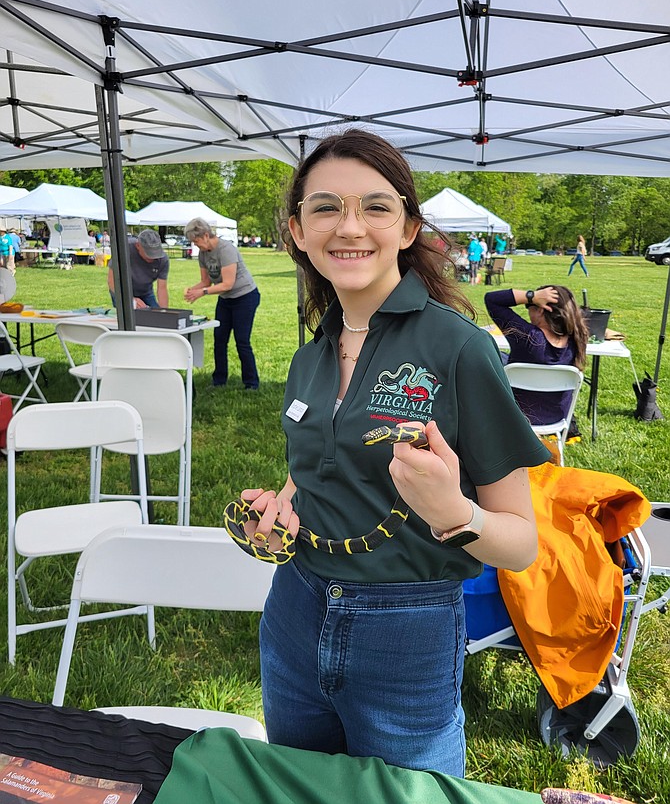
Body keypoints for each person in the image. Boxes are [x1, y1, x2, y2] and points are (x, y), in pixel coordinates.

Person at [237, 129, 549, 775]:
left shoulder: (460, 349)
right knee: (301, 789)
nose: (349, 226)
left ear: (408, 228)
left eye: (375, 206)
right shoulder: (308, 355)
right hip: (294, 607)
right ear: (297, 229)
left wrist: (452, 511)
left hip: (406, 627)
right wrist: (286, 504)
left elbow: (521, 544)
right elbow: (316, 464)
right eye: (325, 207)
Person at [484, 285, 589, 425]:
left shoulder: (528, 337)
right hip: (558, 419)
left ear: (540, 309)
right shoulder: (577, 338)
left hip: (516, 418)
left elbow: (492, 299)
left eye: (530, 307)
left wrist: (531, 295)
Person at [183, 217, 260, 389]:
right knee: (219, 339)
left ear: (205, 235)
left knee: (242, 340)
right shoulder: (203, 254)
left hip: (245, 296)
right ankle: (219, 380)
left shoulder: (226, 249)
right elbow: (205, 282)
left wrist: (201, 293)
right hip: (226, 299)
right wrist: (192, 290)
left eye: (196, 241)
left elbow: (228, 284)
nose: (195, 245)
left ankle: (251, 383)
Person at [107, 229, 169, 309]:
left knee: (155, 315)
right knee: (127, 318)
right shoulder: (124, 249)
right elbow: (112, 280)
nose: (153, 257)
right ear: (138, 246)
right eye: (149, 253)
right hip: (121, 290)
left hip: (145, 292)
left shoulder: (163, 259)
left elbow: (162, 288)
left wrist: (164, 312)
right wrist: (131, 300)